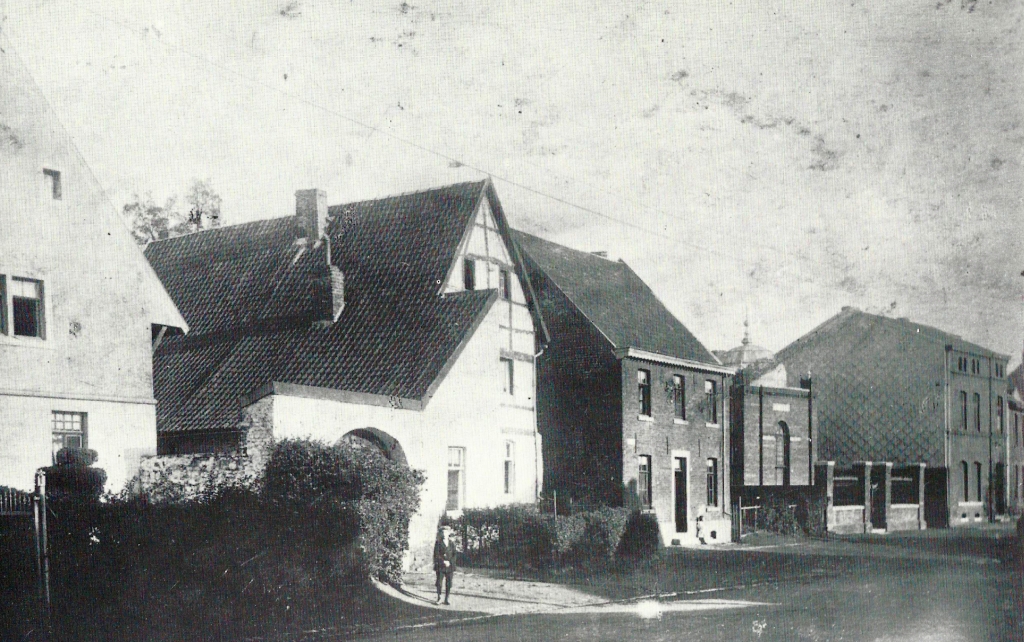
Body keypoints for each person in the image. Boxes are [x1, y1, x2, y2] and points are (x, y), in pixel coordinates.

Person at [433, 525, 457, 605]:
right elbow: (436, 554)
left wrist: (450, 562)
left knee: (449, 583)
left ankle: (447, 599)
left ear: (448, 533)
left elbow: (455, 554)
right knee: (439, 582)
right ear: (441, 533)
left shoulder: (451, 543)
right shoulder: (438, 543)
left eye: (446, 532)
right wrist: (443, 561)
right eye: (443, 532)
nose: (444, 534)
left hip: (450, 566)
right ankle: (439, 597)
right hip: (440, 566)